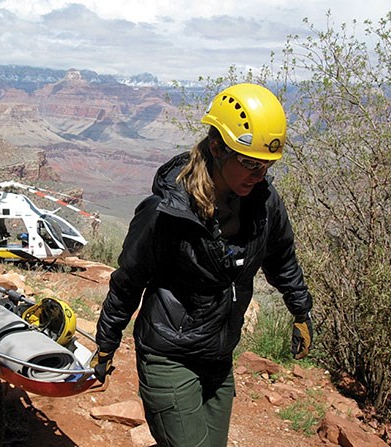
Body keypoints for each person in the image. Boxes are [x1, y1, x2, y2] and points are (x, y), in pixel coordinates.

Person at [91, 83, 313, 447]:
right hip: (170, 356)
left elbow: (281, 257)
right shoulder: (166, 213)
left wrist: (300, 310)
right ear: (216, 148)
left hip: (219, 360)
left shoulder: (264, 203)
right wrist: (106, 343)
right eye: (249, 163)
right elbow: (129, 280)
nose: (259, 175)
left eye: (267, 165)